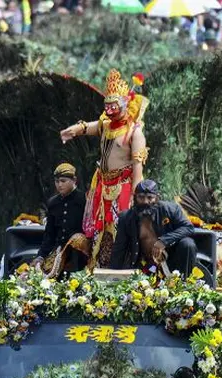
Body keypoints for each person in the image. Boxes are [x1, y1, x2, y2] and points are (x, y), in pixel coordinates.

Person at [60, 69, 149, 267]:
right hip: (102, 186)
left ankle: (122, 269)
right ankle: (96, 267)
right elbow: (89, 127)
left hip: (124, 187)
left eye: (113, 105)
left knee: (121, 229)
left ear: (125, 103)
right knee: (100, 230)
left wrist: (137, 199)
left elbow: (138, 171)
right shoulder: (106, 125)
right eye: (106, 105)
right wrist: (74, 130)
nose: (109, 109)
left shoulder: (135, 133)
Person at [110, 180, 197, 278]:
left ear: (157, 198)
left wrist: (164, 241)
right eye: (141, 197)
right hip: (144, 265)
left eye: (150, 197)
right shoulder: (126, 218)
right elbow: (119, 249)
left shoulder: (171, 210)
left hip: (170, 262)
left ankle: (184, 282)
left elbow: (188, 227)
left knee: (188, 244)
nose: (145, 202)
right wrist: (112, 277)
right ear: (135, 197)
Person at [30, 163, 90, 278]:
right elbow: (49, 234)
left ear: (74, 180)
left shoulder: (84, 199)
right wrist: (41, 256)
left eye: (63, 181)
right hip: (59, 252)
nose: (59, 185)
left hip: (81, 253)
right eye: (57, 181)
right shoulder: (53, 203)